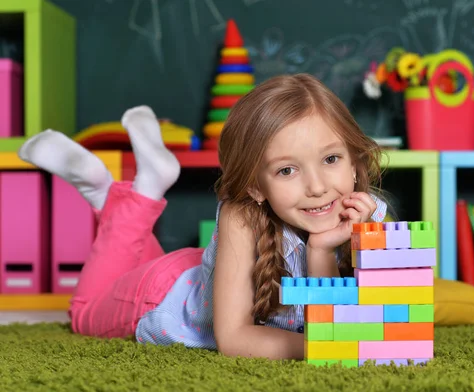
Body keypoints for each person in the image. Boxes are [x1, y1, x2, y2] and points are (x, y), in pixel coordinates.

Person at [17, 73, 391, 360]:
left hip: (201, 272)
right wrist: (329, 350)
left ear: (356, 164)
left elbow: (344, 325)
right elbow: (235, 339)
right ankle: (127, 192)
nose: (317, 186)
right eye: (287, 171)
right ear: (255, 187)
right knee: (84, 313)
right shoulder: (241, 215)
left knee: (126, 255)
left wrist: (322, 251)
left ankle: (117, 194)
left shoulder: (366, 214)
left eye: (330, 159)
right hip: (162, 296)